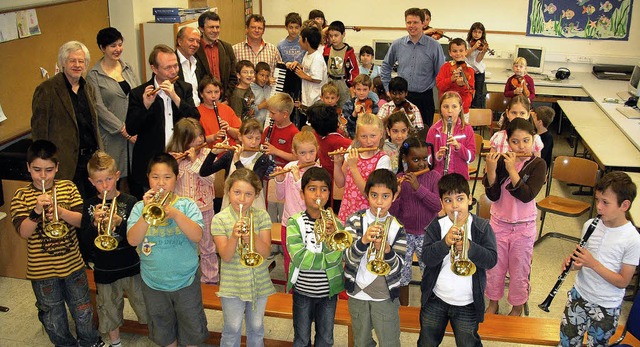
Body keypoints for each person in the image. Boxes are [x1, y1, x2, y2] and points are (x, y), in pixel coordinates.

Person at [10, 140, 104, 347]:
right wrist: (36, 212)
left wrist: (60, 212)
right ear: (28, 167)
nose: (43, 176)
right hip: (42, 272)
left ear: (57, 168)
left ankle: (89, 342)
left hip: (73, 265)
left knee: (83, 309)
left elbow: (82, 222)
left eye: (49, 170)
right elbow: (24, 233)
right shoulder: (21, 196)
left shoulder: (67, 187)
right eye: (37, 170)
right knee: (53, 317)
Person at [127, 153, 208, 347]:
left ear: (177, 178)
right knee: (162, 330)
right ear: (148, 178)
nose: (161, 183)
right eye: (155, 177)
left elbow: (197, 236)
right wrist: (146, 214)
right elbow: (132, 240)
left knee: (192, 328)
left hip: (186, 280)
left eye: (167, 177)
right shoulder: (140, 208)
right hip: (153, 282)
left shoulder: (186, 205)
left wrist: (177, 215)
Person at [558, 171, 640, 347]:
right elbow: (582, 262)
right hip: (579, 295)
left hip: (606, 306)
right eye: (597, 200)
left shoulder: (632, 239)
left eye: (605, 202)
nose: (598, 207)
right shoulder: (590, 226)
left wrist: (593, 264)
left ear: (624, 205)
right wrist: (574, 265)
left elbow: (623, 281)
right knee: (567, 342)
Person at [418, 173, 497, 346]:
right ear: (441, 203)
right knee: (427, 342)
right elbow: (427, 258)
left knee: (468, 342)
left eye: (460, 199)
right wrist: (445, 243)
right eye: (448, 200)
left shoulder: (482, 227)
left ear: (469, 199)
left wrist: (470, 247)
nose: (454, 206)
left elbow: (491, 260)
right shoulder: (436, 226)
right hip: (436, 298)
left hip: (467, 302)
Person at [82, 151, 147, 347]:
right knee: (108, 308)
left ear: (117, 176)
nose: (105, 186)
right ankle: (115, 342)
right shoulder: (90, 205)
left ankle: (158, 334)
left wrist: (120, 223)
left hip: (131, 265)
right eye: (99, 181)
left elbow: (135, 238)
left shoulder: (130, 201)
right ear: (91, 181)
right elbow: (85, 242)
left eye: (109, 179)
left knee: (144, 304)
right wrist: (94, 224)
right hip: (104, 268)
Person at [483, 118, 547, 316]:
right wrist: (492, 169)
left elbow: (527, 194)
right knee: (495, 268)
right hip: (498, 223)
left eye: (526, 141)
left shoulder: (538, 164)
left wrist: (512, 169)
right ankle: (493, 302)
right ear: (508, 142)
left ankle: (517, 305)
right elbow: (492, 195)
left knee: (519, 269)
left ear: (533, 141)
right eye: (515, 142)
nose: (520, 146)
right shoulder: (502, 160)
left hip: (523, 227)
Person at [125, 44, 200, 200]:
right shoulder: (139, 93)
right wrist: (145, 105)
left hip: (181, 161)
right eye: (168, 68)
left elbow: (195, 118)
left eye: (175, 66)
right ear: (154, 68)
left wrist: (175, 97)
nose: (173, 71)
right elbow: (131, 128)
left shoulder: (184, 88)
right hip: (151, 164)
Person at [211, 168, 275, 347]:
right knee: (232, 327)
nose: (241, 199)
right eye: (237, 192)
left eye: (248, 194)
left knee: (256, 326)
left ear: (255, 196)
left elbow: (266, 252)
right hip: (233, 283)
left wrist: (251, 237)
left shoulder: (262, 216)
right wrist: (234, 237)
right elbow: (225, 255)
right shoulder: (220, 219)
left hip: (259, 282)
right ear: (228, 192)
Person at [343, 169, 406, 347]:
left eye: (385, 196)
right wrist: (363, 241)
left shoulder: (397, 227)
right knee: (361, 341)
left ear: (394, 196)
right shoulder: (355, 220)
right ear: (367, 195)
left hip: (384, 295)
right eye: (374, 195)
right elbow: (348, 258)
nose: (379, 202)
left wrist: (386, 250)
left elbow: (399, 267)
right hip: (357, 292)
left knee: (389, 342)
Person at [32, 41, 103, 199]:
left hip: (91, 161)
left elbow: (94, 125)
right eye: (72, 61)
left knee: (93, 207)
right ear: (63, 63)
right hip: (65, 164)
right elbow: (39, 132)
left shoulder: (88, 88)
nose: (77, 65)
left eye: (81, 61)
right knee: (70, 210)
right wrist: (46, 165)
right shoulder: (47, 90)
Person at [286, 167, 345, 346]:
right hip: (302, 291)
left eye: (324, 189)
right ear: (302, 193)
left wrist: (330, 238)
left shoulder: (336, 224)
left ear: (329, 193)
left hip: (328, 293)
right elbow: (300, 258)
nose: (318, 194)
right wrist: (326, 259)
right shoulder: (294, 222)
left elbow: (337, 256)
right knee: (301, 339)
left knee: (326, 339)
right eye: (312, 189)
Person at [390, 137, 441, 306]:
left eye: (424, 159)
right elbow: (393, 213)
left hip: (427, 233)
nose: (421, 164)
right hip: (405, 234)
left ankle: (428, 307)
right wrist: (396, 194)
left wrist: (417, 188)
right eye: (415, 159)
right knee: (402, 275)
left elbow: (436, 205)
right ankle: (404, 308)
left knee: (429, 272)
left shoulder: (434, 177)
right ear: (405, 158)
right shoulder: (400, 179)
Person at [87, 28, 139, 192]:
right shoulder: (94, 75)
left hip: (135, 132)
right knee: (116, 178)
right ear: (102, 48)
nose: (117, 49)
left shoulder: (127, 67)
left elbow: (137, 94)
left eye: (120, 45)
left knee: (136, 176)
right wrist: (124, 131)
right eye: (112, 46)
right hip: (112, 135)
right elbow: (99, 108)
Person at [167, 118, 219, 284]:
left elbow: (210, 179)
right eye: (194, 137)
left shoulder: (207, 155)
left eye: (201, 135)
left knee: (208, 247)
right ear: (182, 139)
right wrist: (172, 167)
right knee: (181, 244)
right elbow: (167, 185)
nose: (199, 140)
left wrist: (194, 161)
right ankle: (182, 277)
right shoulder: (172, 157)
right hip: (181, 212)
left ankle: (210, 280)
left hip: (205, 209)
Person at [381, 8, 445, 127]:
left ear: (423, 23)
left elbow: (441, 73)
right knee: (398, 133)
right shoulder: (397, 44)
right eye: (408, 22)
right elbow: (385, 66)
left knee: (423, 135)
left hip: (424, 98)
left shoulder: (434, 46)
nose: (412, 25)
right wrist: (387, 89)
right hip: (401, 97)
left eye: (415, 22)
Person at [273, 130, 320, 276]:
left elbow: (310, 201)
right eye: (302, 153)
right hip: (289, 223)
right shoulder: (291, 166)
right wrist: (280, 179)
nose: (308, 157)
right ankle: (290, 293)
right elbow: (281, 196)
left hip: (310, 225)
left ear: (317, 149)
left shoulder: (317, 172)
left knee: (307, 260)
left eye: (311, 152)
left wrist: (297, 179)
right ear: (294, 152)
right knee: (290, 260)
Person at [200, 119, 274, 210]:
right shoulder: (230, 154)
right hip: (230, 205)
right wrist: (213, 153)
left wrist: (237, 162)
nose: (254, 142)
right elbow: (204, 172)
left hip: (253, 206)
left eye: (258, 138)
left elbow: (251, 182)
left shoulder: (263, 158)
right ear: (240, 137)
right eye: (250, 138)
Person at [334, 113, 391, 223]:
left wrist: (353, 167)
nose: (369, 141)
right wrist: (337, 163)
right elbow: (340, 183)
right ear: (357, 136)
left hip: (368, 216)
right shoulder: (353, 150)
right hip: (347, 210)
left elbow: (369, 193)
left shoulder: (383, 160)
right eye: (363, 136)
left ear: (381, 134)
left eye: (373, 136)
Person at [307, 104, 352, 212]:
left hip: (327, 180)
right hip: (337, 183)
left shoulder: (317, 135)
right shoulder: (338, 141)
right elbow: (355, 145)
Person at [426, 91, 476, 179]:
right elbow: (427, 159)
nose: (450, 111)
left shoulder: (467, 129)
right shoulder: (433, 130)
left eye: (454, 107)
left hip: (459, 179)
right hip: (438, 179)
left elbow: (471, 157)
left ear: (460, 108)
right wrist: (437, 156)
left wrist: (458, 147)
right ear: (440, 109)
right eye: (445, 107)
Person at [195, 11, 237, 99]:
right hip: (202, 101)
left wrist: (226, 98)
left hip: (223, 100)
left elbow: (233, 77)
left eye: (217, 27)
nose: (215, 30)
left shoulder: (227, 48)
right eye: (211, 27)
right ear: (201, 29)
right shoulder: (194, 50)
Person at [286, 26, 327, 111]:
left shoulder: (317, 58)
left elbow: (317, 79)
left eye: (301, 38)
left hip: (316, 100)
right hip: (307, 98)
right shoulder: (307, 54)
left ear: (306, 40)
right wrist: (298, 65)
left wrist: (303, 75)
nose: (299, 41)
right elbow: (308, 68)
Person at [436, 38, 476, 120]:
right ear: (450, 53)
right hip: (446, 109)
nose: (458, 54)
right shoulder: (445, 67)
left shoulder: (469, 70)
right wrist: (451, 79)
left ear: (466, 52)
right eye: (454, 51)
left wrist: (462, 86)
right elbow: (439, 86)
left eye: (461, 51)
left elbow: (470, 91)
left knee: (461, 131)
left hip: (462, 110)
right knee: (444, 131)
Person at [323, 20, 359, 107]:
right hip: (330, 80)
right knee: (329, 106)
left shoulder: (348, 51)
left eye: (336, 35)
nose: (333, 38)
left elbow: (354, 70)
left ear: (343, 35)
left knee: (344, 106)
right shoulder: (327, 49)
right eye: (331, 36)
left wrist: (350, 84)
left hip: (342, 82)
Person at [198, 75, 241, 147]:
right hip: (210, 153)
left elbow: (240, 135)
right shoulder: (196, 112)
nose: (213, 96)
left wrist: (228, 128)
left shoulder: (227, 109)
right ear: (201, 94)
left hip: (230, 152)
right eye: (209, 92)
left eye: (216, 92)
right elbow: (196, 141)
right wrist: (214, 137)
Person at [262, 93, 299, 167]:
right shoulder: (269, 129)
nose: (270, 116)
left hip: (284, 172)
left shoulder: (295, 133)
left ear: (285, 114)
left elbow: (297, 158)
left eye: (273, 113)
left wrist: (276, 151)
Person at [175, 26, 203, 106]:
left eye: (198, 42)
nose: (195, 44)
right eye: (191, 40)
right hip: (181, 114)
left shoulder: (197, 62)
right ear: (180, 41)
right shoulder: (170, 64)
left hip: (198, 111)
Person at [465, 22, 490, 109]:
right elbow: (465, 55)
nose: (477, 34)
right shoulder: (466, 42)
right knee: (468, 92)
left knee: (479, 93)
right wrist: (473, 47)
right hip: (468, 71)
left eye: (479, 32)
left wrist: (483, 51)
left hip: (478, 71)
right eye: (475, 31)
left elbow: (478, 60)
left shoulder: (482, 43)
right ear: (471, 32)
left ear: (482, 34)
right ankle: (467, 109)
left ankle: (477, 111)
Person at [531, 105, 555, 169]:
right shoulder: (535, 132)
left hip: (539, 168)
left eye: (534, 117)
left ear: (539, 122)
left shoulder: (547, 138)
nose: (532, 119)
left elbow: (540, 157)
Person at [250, 62, 272, 128]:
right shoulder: (250, 89)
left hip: (267, 124)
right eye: (261, 75)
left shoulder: (269, 89)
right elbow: (248, 111)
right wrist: (261, 106)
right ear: (255, 74)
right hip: (254, 125)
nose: (264, 79)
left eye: (267, 76)